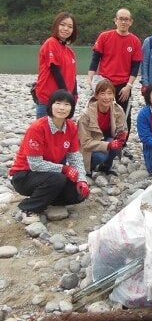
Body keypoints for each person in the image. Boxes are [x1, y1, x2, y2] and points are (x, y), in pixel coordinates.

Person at [9, 90, 89, 222]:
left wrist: (82, 180)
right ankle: (29, 208)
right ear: (50, 105)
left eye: (67, 104)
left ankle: (44, 199)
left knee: (79, 194)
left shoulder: (71, 127)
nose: (62, 108)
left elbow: (75, 157)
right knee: (57, 179)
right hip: (24, 175)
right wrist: (64, 169)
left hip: (49, 174)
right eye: (58, 103)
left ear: (72, 108)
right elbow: (35, 164)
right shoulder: (38, 128)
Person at [88, 8, 142, 153]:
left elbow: (135, 66)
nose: (123, 21)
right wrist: (91, 79)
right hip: (105, 83)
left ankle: (122, 145)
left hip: (123, 85)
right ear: (115, 20)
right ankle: (100, 142)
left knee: (124, 116)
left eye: (126, 19)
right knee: (100, 113)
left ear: (131, 22)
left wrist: (129, 86)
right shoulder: (105, 37)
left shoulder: (135, 41)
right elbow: (95, 59)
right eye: (121, 18)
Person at [77, 79, 128, 176]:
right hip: (89, 145)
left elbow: (122, 129)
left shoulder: (117, 109)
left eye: (110, 93)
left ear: (113, 95)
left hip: (106, 138)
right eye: (102, 93)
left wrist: (121, 135)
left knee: (117, 146)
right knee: (101, 156)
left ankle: (105, 167)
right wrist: (108, 145)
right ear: (96, 95)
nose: (107, 97)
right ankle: (88, 169)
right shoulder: (86, 115)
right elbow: (85, 143)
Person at [34, 11, 78, 119]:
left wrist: (74, 96)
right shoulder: (51, 43)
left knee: (61, 133)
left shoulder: (70, 52)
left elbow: (73, 77)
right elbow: (55, 70)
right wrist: (66, 95)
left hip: (64, 101)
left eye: (70, 26)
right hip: (48, 100)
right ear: (56, 25)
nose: (66, 29)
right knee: (44, 132)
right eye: (62, 25)